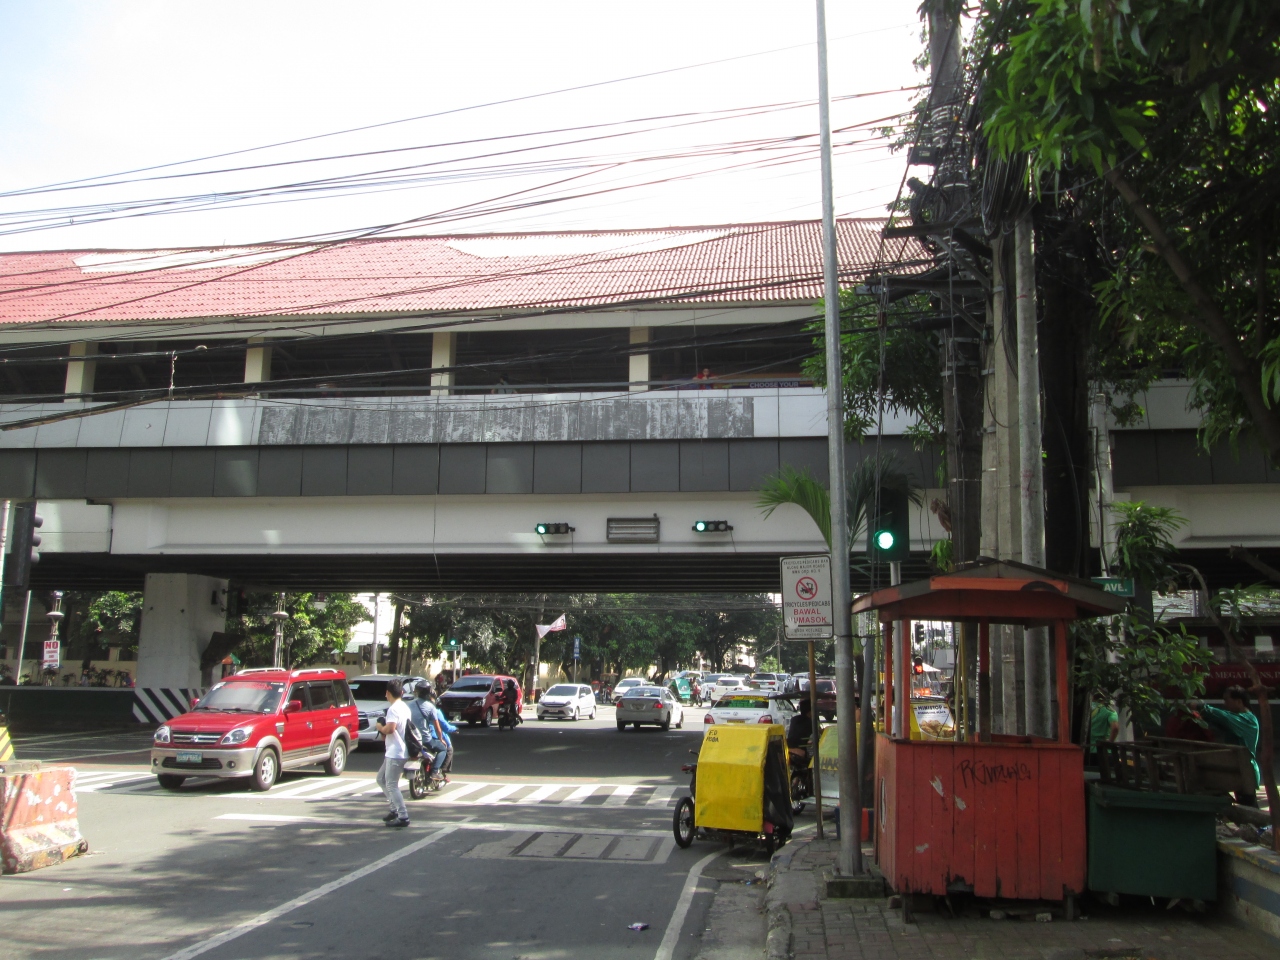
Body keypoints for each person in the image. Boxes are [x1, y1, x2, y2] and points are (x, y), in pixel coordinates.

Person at [1199, 686, 1261, 806]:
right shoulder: (1237, 717)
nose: (1225, 703)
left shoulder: (1247, 720)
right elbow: (1222, 718)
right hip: (1237, 770)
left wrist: (1201, 708)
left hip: (1246, 771)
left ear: (1239, 701)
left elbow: (1225, 718)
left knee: (1249, 807)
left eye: (1227, 700)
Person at [374, 678, 412, 827]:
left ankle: (403, 816)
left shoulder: (393, 709)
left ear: (388, 693)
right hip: (397, 750)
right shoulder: (404, 707)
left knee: (391, 784)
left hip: (395, 752)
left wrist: (379, 727)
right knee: (380, 779)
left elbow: (390, 729)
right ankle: (394, 809)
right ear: (401, 692)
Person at [408, 681, 448, 781]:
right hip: (426, 740)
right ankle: (434, 771)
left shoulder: (409, 705)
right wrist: (441, 739)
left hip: (411, 740)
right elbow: (437, 727)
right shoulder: (430, 707)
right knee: (443, 749)